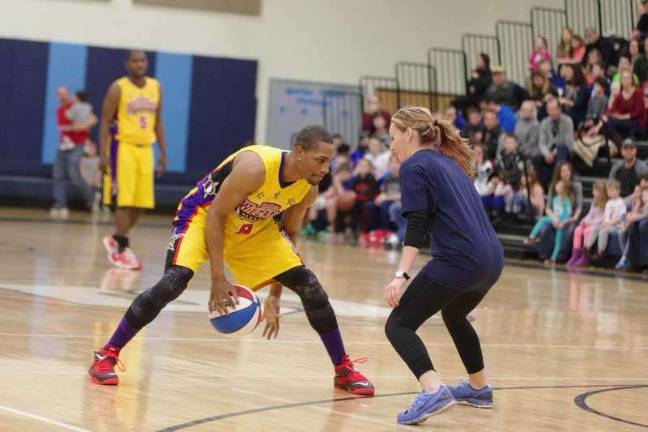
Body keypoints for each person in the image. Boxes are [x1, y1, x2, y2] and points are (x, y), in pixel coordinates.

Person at [88, 126, 375, 396]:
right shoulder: (255, 167)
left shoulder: (307, 189)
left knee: (310, 285)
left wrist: (275, 295)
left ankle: (343, 370)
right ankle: (107, 353)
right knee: (173, 283)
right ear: (299, 152)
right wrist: (217, 278)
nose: (325, 169)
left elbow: (288, 234)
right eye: (320, 160)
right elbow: (216, 216)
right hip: (203, 216)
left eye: (329, 162)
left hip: (255, 229)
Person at [383, 107, 503, 425]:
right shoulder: (449, 163)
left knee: (398, 325)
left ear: (409, 134)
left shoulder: (414, 166)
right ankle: (478, 388)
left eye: (393, 137)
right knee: (454, 314)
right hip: (491, 259)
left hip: (460, 260)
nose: (390, 145)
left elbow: (417, 226)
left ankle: (432, 389)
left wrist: (400, 276)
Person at [99, 50, 168, 270]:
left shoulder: (155, 87)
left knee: (141, 203)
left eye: (142, 60)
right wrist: (103, 153)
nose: (139, 64)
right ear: (127, 63)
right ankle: (121, 247)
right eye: (135, 61)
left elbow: (158, 122)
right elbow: (105, 121)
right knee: (124, 199)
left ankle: (117, 238)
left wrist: (163, 152)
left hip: (145, 149)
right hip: (122, 147)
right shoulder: (118, 88)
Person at [51, 87, 97, 219]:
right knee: (58, 174)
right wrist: (68, 128)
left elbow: (93, 119)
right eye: (60, 95)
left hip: (78, 145)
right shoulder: (60, 110)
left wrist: (81, 126)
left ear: (69, 95)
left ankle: (91, 198)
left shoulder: (78, 106)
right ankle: (60, 204)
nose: (63, 97)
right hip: (64, 145)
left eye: (65, 95)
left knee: (74, 173)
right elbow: (62, 127)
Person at [525, 180, 574, 264]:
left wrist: (562, 222)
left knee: (558, 241)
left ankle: (553, 259)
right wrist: (554, 219)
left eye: (558, 185)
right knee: (542, 219)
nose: (556, 187)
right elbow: (553, 212)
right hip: (554, 219)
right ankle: (532, 237)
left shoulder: (567, 200)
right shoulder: (555, 199)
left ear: (562, 189)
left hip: (561, 222)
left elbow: (569, 213)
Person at [533, 99, 574, 188]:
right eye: (549, 110)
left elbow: (568, 143)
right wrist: (547, 154)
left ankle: (558, 181)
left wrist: (554, 153)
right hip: (548, 153)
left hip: (564, 153)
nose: (552, 112)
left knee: (562, 147)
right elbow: (542, 143)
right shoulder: (544, 122)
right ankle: (545, 184)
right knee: (536, 158)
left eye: (554, 109)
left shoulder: (568, 121)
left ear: (560, 109)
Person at [567, 180, 607, 267]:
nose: (593, 192)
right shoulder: (594, 201)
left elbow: (602, 219)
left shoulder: (606, 204)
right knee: (577, 230)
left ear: (602, 192)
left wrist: (589, 223)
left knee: (587, 231)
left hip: (597, 225)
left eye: (595, 191)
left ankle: (585, 257)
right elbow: (590, 214)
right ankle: (575, 255)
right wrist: (584, 220)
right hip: (589, 223)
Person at [596, 180, 627, 257]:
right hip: (608, 224)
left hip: (617, 226)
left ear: (618, 191)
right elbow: (606, 215)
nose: (610, 193)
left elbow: (622, 217)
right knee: (594, 229)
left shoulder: (621, 202)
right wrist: (603, 222)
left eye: (612, 191)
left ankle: (601, 251)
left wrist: (610, 223)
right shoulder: (608, 202)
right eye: (608, 191)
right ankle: (587, 247)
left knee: (603, 231)